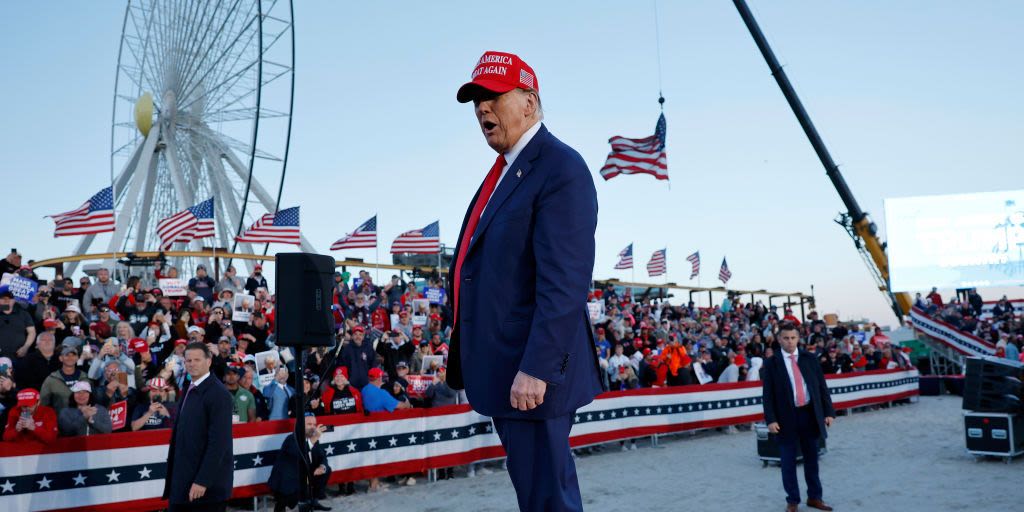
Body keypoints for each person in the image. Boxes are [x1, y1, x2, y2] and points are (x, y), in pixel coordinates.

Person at [447, 51, 602, 512]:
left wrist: (536, 367)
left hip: (530, 374)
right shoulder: (504, 171)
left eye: (493, 96)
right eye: (476, 101)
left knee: (548, 499)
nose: (482, 109)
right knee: (536, 496)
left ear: (529, 102)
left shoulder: (559, 166)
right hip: (506, 368)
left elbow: (565, 282)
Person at [762, 323, 836, 512]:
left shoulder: (810, 358)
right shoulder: (772, 362)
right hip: (785, 418)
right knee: (788, 462)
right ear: (779, 340)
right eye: (786, 338)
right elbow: (767, 394)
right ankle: (793, 501)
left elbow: (821, 387)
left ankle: (814, 498)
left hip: (809, 414)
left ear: (798, 338)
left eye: (793, 338)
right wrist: (770, 419)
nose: (790, 341)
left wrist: (828, 412)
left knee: (812, 459)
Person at [163, 342, 233, 511]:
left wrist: (203, 480)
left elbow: (219, 443)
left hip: (205, 492)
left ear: (208, 361)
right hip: (183, 484)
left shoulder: (219, 394)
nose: (192, 364)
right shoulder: (188, 387)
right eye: (188, 360)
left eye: (197, 360)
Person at [267, 413, 333, 512]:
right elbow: (297, 454)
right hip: (287, 481)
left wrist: (322, 467)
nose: (313, 427)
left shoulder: (312, 439)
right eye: (309, 424)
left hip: (302, 475)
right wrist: (313, 439)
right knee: (285, 503)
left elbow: (322, 456)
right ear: (300, 425)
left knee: (326, 470)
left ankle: (313, 501)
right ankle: (283, 505)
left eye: (314, 425)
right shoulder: (291, 439)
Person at [39, 345, 89, 413]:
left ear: (77, 358)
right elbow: (43, 404)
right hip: (60, 421)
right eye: (67, 355)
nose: (70, 358)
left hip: (83, 419)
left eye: (73, 355)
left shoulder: (85, 377)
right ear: (61, 358)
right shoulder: (51, 379)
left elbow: (92, 400)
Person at [0, 290, 36, 359]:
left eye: (9, 298)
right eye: (3, 298)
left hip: (18, 356)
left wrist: (26, 347)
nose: (6, 300)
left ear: (14, 300)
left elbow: (32, 332)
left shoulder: (24, 314)